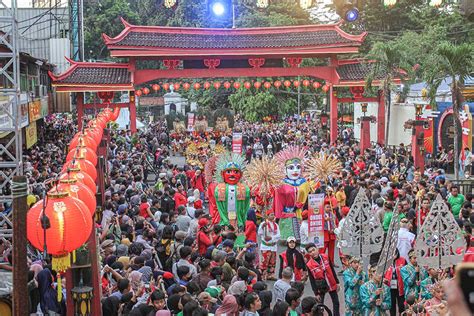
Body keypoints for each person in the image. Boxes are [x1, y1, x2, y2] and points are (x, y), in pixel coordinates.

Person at [305, 243, 340, 316]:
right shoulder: (309, 265)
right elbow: (311, 280)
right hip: (320, 286)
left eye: (313, 250)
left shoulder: (326, 257)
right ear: (308, 254)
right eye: (310, 252)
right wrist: (316, 293)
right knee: (320, 306)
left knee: (336, 302)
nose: (312, 253)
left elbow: (332, 270)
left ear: (317, 249)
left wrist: (337, 282)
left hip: (331, 283)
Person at [258, 211, 280, 280]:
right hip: (266, 246)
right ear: (267, 216)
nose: (273, 216)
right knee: (264, 262)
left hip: (273, 246)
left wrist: (271, 238)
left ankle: (270, 275)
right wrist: (262, 227)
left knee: (272, 262)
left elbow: (279, 235)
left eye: (273, 215)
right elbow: (259, 233)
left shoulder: (276, 224)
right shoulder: (263, 224)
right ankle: (262, 276)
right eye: (271, 215)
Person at [383, 250, 406, 316]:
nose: (393, 256)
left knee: (401, 304)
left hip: (400, 285)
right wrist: (384, 279)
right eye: (392, 254)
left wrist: (402, 269)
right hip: (390, 285)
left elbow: (407, 271)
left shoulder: (403, 260)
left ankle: (401, 314)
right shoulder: (386, 261)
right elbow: (383, 273)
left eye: (394, 254)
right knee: (392, 304)